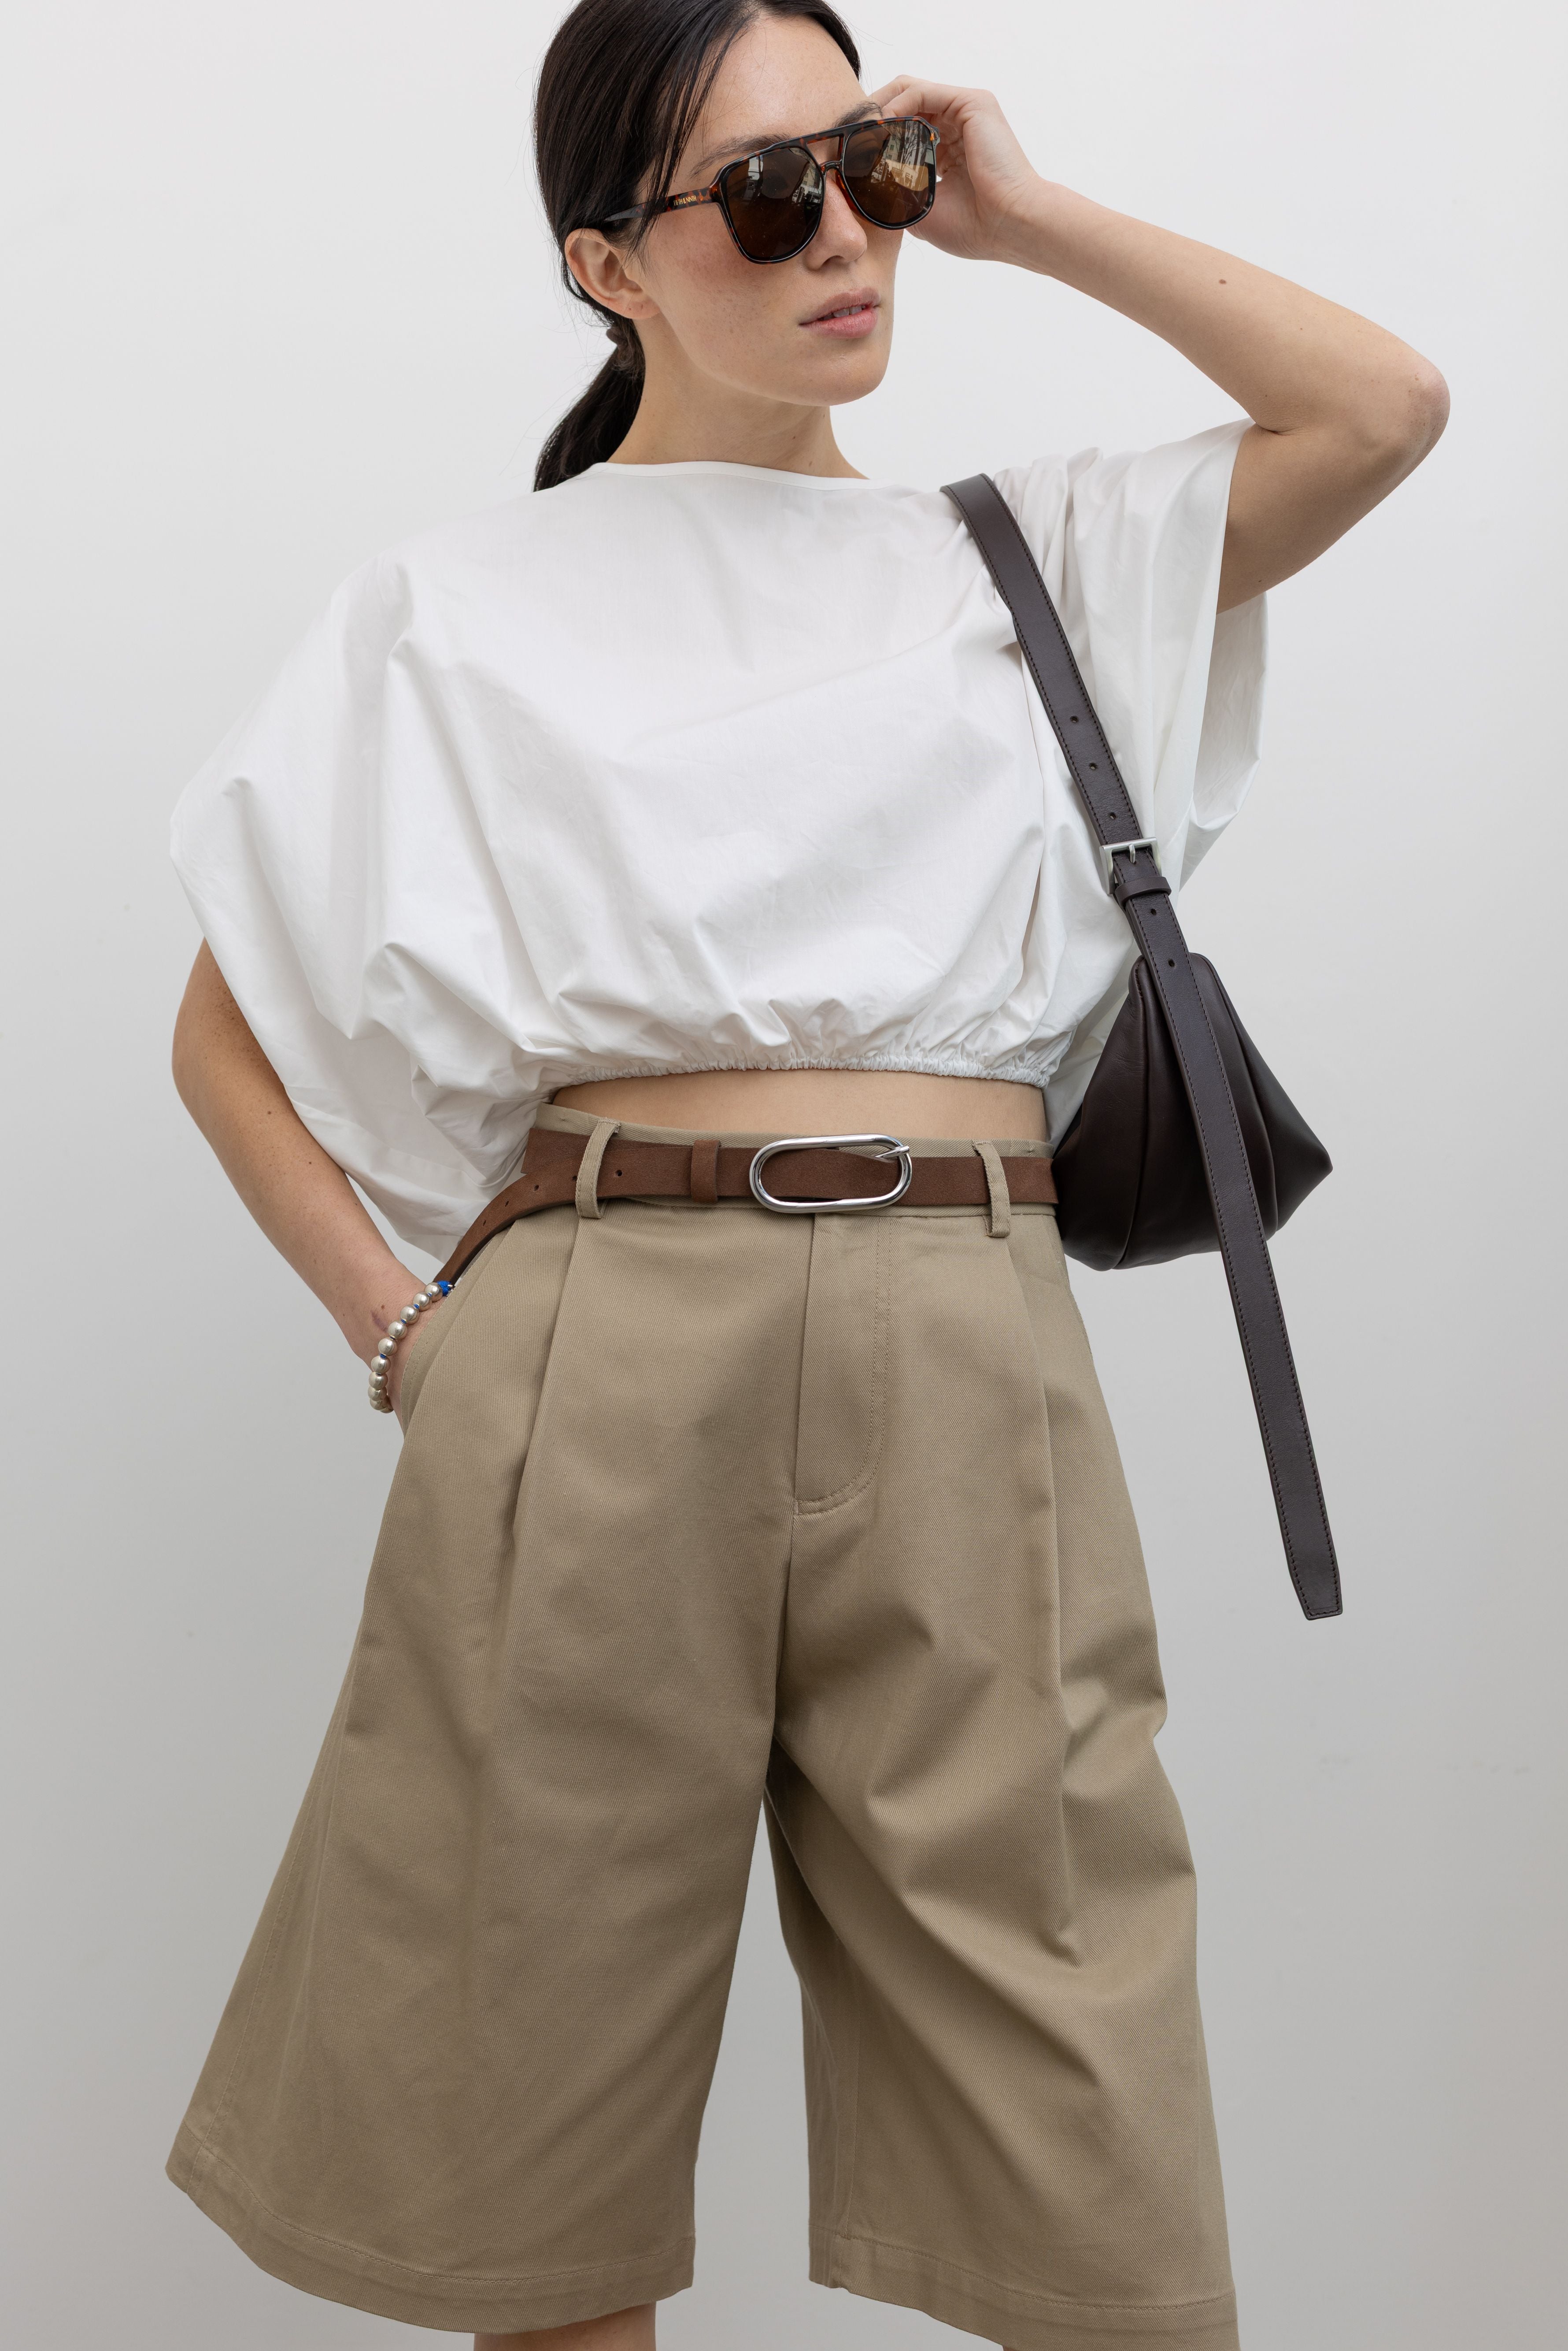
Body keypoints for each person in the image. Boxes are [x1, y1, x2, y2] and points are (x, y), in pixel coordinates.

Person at [164, 4, 1446, 2347]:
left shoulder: (1038, 552)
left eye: (862, 165)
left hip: (966, 1329)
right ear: (606, 267)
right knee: (516, 2076)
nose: (844, 232)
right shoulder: (459, 605)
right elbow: (223, 1034)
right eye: (765, 194)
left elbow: (1376, 408)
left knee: (1079, 2069)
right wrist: (408, 1339)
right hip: (587, 1340)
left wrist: (1027, 211)